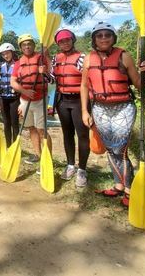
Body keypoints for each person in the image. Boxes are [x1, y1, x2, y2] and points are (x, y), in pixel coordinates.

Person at [80, 22, 145, 207]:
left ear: (113, 38)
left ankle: (129, 189)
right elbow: (84, 86)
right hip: (100, 108)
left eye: (107, 35)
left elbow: (139, 85)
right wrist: (85, 111)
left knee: (120, 149)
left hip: (122, 107)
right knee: (110, 149)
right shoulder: (88, 59)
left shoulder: (124, 56)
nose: (103, 38)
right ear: (94, 39)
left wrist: (144, 73)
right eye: (99, 35)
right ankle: (118, 185)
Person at [52, 29, 89, 188]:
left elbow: (88, 81)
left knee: (82, 135)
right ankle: (70, 165)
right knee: (67, 134)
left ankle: (82, 169)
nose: (65, 43)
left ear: (72, 40)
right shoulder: (56, 58)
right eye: (61, 41)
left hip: (78, 101)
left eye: (67, 40)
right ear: (58, 44)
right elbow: (52, 79)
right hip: (62, 100)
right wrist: (43, 72)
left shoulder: (82, 58)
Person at [10, 34, 51, 165]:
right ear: (21, 47)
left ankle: (47, 158)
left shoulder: (41, 58)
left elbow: (50, 76)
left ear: (34, 45)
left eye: (29, 44)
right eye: (24, 44)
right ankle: (38, 155)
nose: (27, 46)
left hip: (40, 99)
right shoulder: (18, 63)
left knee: (41, 130)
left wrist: (44, 71)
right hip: (25, 100)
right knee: (31, 128)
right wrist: (24, 90)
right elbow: (13, 82)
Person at [0, 42, 20, 145]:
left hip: (14, 98)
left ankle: (16, 146)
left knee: (14, 122)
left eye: (7, 53)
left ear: (12, 52)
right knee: (6, 123)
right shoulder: (0, 65)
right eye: (3, 54)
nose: (6, 56)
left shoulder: (18, 65)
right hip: (3, 98)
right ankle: (8, 145)